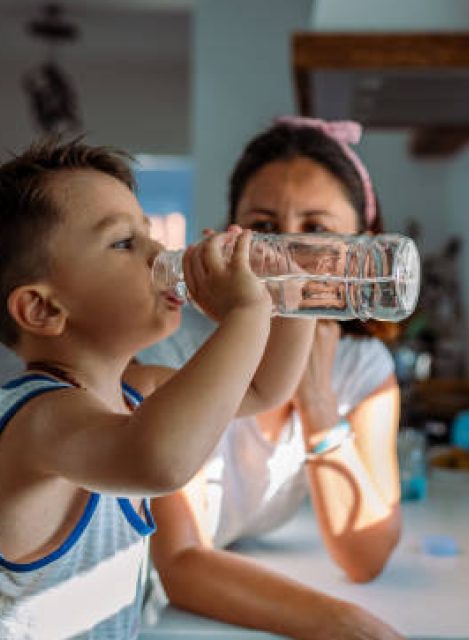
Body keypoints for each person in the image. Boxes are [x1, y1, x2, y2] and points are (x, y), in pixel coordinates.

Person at [0, 137, 315, 638]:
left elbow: (263, 390)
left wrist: (295, 292)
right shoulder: (39, 420)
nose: (159, 252)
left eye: (147, 231)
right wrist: (245, 315)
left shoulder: (135, 388)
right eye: (124, 243)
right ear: (44, 309)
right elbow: (160, 462)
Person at [135, 118, 405, 639]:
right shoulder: (170, 350)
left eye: (317, 231)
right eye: (263, 226)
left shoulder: (362, 367)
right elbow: (180, 562)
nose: (288, 255)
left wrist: (317, 400)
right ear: (230, 233)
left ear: (364, 249)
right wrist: (343, 624)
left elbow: (364, 555)